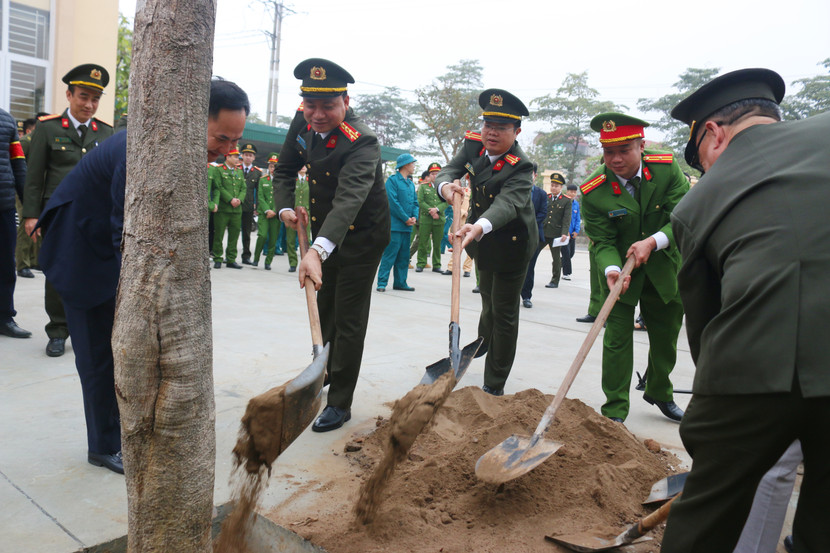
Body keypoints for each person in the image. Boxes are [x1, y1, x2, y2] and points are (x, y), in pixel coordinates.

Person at [34, 78, 249, 474]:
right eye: (222, 138)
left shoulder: (178, 146)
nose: (228, 151)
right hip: (80, 252)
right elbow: (126, 231)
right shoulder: (145, 149)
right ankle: (102, 446)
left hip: (104, 245)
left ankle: (121, 429)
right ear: (193, 118)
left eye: (235, 141)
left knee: (122, 353)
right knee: (97, 356)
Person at [662, 68, 830, 553]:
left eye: (700, 161)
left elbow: (706, 325)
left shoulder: (699, 203)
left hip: (756, 367)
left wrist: (710, 424)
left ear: (713, 133)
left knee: (709, 510)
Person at [274, 58, 390, 432]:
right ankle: (323, 371)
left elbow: (349, 200)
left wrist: (316, 252)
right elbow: (285, 168)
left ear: (346, 100)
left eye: (328, 106)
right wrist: (285, 207)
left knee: (349, 316)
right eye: (311, 105)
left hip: (363, 235)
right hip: (326, 230)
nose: (318, 115)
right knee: (325, 309)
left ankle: (340, 401)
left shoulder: (363, 141)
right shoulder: (303, 120)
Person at [580, 112, 688, 422]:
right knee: (616, 341)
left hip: (663, 265)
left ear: (641, 145)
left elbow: (683, 217)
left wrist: (652, 242)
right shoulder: (594, 190)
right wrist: (612, 270)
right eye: (608, 151)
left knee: (667, 336)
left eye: (624, 150)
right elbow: (601, 241)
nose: (615, 159)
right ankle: (614, 411)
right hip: (620, 275)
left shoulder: (666, 170)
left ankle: (659, 391)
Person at [436, 88, 536, 396]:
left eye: (502, 128)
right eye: (488, 125)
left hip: (512, 244)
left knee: (503, 312)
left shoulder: (521, 166)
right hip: (481, 242)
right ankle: (484, 341)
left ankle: (494, 382)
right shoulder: (473, 146)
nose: (491, 133)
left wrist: (478, 226)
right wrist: (446, 188)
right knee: (488, 300)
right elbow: (449, 171)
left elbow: (506, 204)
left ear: (516, 131)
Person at [21, 64, 114, 357]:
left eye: (95, 99)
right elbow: (34, 178)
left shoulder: (106, 132)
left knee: (95, 272)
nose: (89, 104)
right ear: (69, 95)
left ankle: (90, 328)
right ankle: (58, 330)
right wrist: (31, 216)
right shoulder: (48, 129)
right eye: (83, 97)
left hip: (95, 217)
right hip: (58, 215)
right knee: (59, 272)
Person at [0, 107, 30, 339]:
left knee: (5, 265)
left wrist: (29, 208)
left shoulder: (7, 120)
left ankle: (5, 317)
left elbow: (18, 165)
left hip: (4, 205)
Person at [377, 153, 418, 292]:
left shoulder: (411, 184)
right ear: (405, 164)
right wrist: (405, 218)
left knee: (403, 257)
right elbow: (392, 203)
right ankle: (382, 283)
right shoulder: (392, 181)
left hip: (407, 228)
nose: (413, 166)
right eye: (412, 163)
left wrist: (414, 217)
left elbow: (415, 203)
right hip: (395, 226)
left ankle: (400, 282)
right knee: (390, 255)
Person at [210, 147, 245, 268]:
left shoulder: (239, 171)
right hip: (223, 209)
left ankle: (231, 259)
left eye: (237, 157)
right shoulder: (218, 170)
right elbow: (218, 187)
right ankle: (218, 258)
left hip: (237, 210)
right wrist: (230, 199)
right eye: (235, 156)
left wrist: (239, 199)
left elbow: (243, 188)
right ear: (227, 157)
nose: (237, 159)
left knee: (234, 235)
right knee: (219, 234)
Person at [520, 163, 547, 308]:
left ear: (535, 176)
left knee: (530, 268)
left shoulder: (541, 194)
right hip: (516, 236)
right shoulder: (516, 191)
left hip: (534, 236)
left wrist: (527, 224)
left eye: (530, 173)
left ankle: (526, 296)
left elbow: (543, 213)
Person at [15, 117, 39, 279]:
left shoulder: (39, 141)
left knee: (37, 224)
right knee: (25, 224)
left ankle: (33, 260)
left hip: (37, 189)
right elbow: (18, 166)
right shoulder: (26, 141)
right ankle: (22, 264)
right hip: (24, 188)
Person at [416, 162, 447, 273]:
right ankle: (421, 263)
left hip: (439, 218)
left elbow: (447, 201)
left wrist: (437, 210)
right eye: (433, 173)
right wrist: (431, 211)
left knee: (437, 243)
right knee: (423, 242)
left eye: (437, 173)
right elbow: (420, 201)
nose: (435, 176)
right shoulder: (423, 187)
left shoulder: (443, 188)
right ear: (429, 175)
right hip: (426, 218)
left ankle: (437, 265)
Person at [543, 172, 571, 289]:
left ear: (561, 187)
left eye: (556, 186)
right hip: (543, 232)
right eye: (552, 185)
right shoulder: (546, 198)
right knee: (532, 254)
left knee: (556, 259)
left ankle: (555, 280)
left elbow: (566, 219)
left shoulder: (566, 201)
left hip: (556, 234)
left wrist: (564, 233)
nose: (553, 187)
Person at [253, 153, 280, 269]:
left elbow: (283, 198)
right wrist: (267, 210)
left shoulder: (282, 182)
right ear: (269, 167)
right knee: (262, 235)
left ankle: (268, 262)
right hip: (264, 213)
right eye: (271, 166)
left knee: (273, 239)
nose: (273, 168)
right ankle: (256, 258)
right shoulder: (263, 180)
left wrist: (274, 211)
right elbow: (260, 197)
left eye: (275, 166)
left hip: (276, 214)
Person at [239, 143, 262, 265]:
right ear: (242, 156)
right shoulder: (236, 168)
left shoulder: (257, 172)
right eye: (246, 155)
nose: (248, 157)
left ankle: (246, 256)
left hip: (248, 206)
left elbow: (258, 191)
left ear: (254, 158)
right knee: (232, 232)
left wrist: (257, 206)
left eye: (250, 155)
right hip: (235, 205)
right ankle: (227, 255)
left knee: (247, 232)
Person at [284, 165, 310, 272]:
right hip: (293, 213)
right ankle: (293, 263)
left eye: (305, 165)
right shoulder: (293, 180)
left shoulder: (310, 180)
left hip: (306, 214)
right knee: (290, 240)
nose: (303, 167)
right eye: (301, 165)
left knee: (306, 239)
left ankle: (307, 262)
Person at [561, 183, 580, 280]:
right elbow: (562, 218)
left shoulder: (576, 204)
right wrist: (565, 231)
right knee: (566, 253)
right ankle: (566, 273)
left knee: (571, 253)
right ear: (567, 191)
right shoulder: (563, 201)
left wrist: (577, 231)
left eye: (574, 192)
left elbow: (577, 219)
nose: (572, 194)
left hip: (573, 233)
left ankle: (559, 263)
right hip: (564, 233)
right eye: (570, 191)